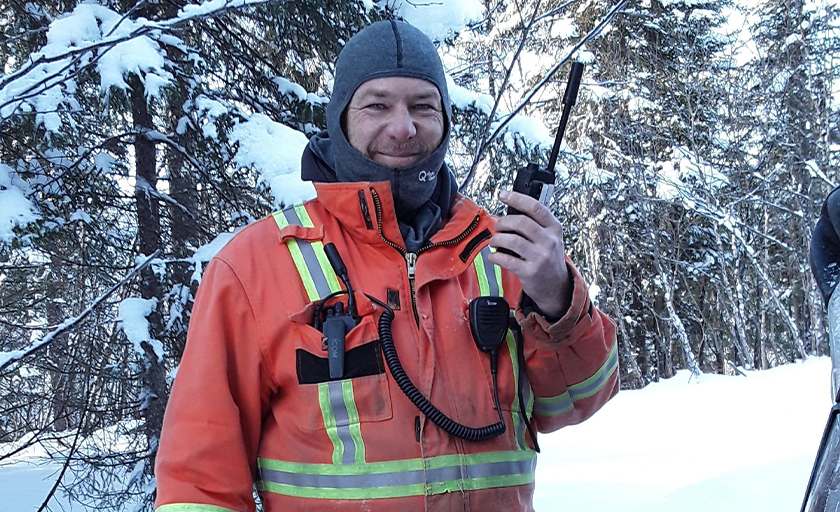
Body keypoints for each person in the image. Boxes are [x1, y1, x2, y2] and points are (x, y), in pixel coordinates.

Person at [154, 20, 618, 512]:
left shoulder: (507, 251)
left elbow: (578, 400)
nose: (403, 127)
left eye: (423, 106)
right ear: (340, 119)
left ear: (444, 120)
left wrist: (556, 295)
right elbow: (199, 482)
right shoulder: (253, 267)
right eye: (377, 105)